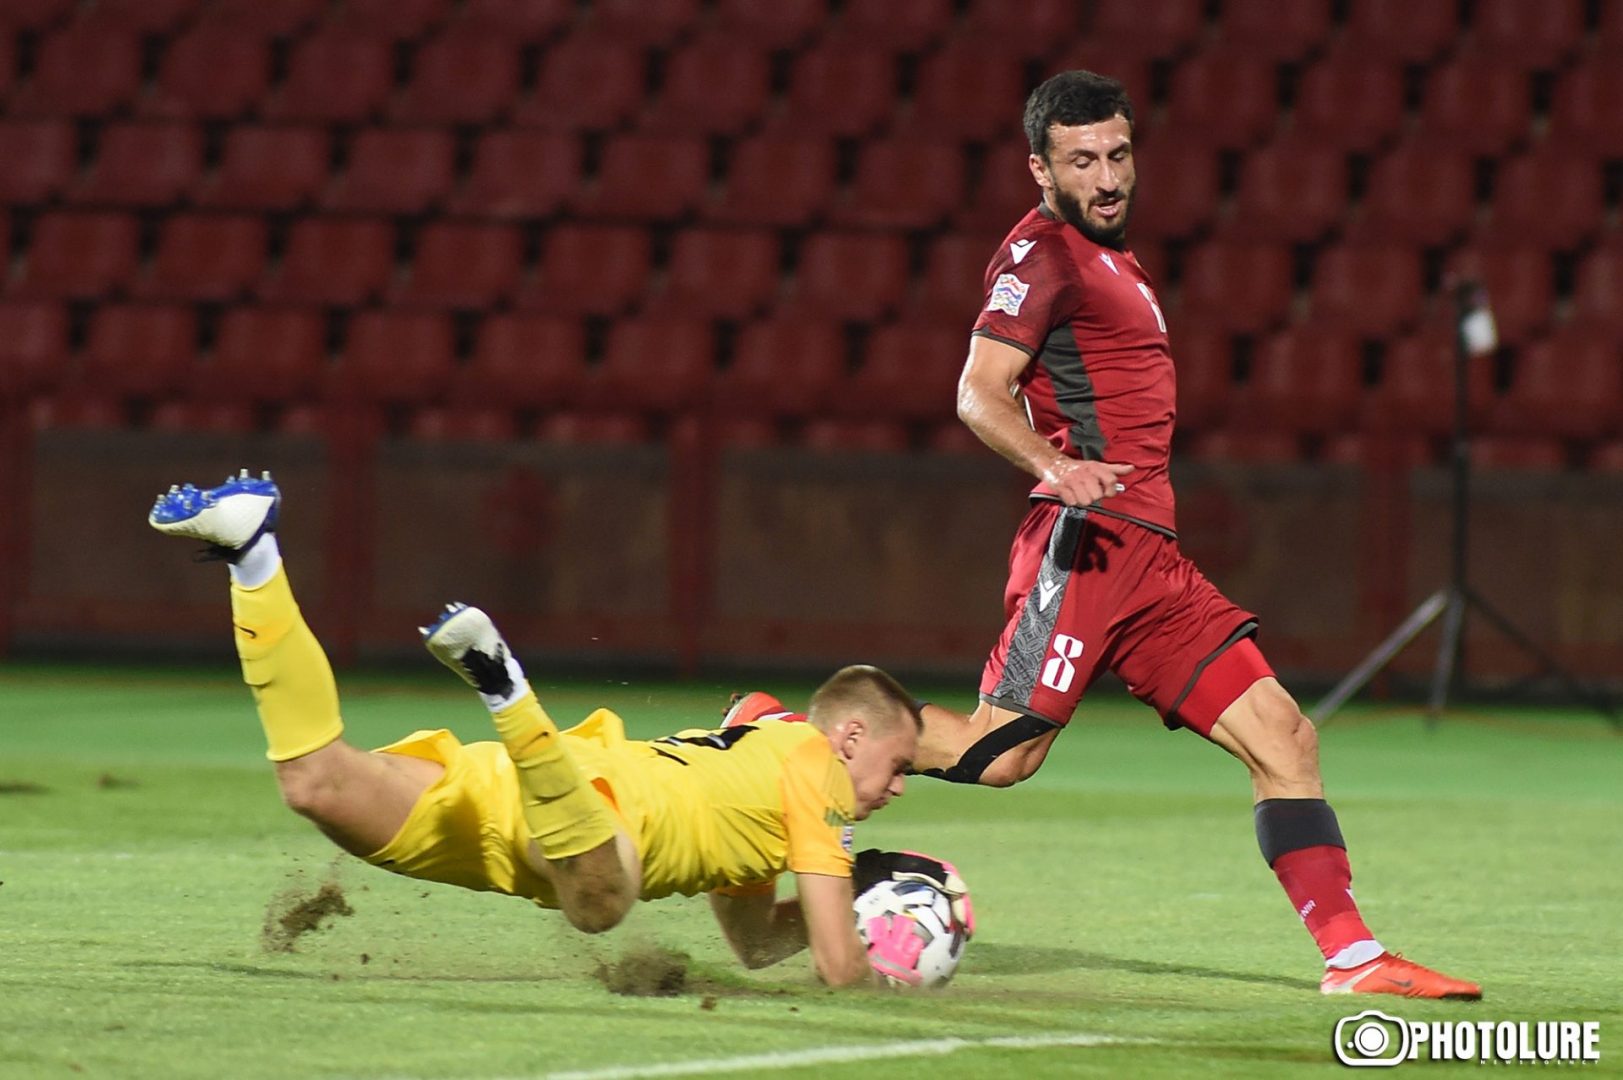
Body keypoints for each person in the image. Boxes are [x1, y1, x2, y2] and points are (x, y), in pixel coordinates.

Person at [729, 71, 1481, 1000]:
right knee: (1001, 757)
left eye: (1118, 154)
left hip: (1151, 560)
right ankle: (777, 733)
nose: (1107, 175)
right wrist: (1052, 464)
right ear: (1039, 168)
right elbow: (977, 391)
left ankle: (1353, 960)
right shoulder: (1039, 256)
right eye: (1081, 160)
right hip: (1085, 544)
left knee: (1284, 737)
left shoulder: (1109, 255)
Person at [147, 471, 964, 989]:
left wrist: (862, 892)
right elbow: (836, 970)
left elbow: (754, 945)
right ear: (850, 736)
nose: (898, 787)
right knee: (603, 908)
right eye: (899, 766)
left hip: (533, 806)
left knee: (313, 781)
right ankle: (508, 693)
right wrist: (901, 962)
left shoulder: (767, 783)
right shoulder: (816, 769)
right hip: (598, 822)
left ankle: (253, 554)